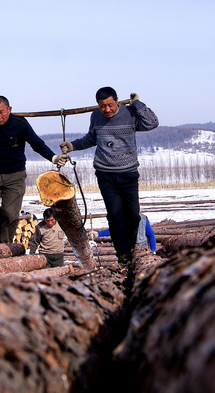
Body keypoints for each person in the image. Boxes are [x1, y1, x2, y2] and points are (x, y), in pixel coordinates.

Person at [61, 87, 158, 264]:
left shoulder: (130, 113)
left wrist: (137, 104)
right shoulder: (96, 117)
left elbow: (152, 123)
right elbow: (91, 138)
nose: (106, 110)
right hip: (105, 173)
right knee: (114, 214)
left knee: (133, 215)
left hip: (128, 172)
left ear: (117, 100)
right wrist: (72, 146)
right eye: (102, 106)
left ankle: (132, 246)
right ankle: (123, 253)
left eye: (110, 105)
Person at [0, 95, 68, 243]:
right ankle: (3, 226)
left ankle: (5, 246)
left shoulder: (20, 124)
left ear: (9, 109)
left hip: (15, 176)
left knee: (10, 214)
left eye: (1, 112)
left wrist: (53, 157)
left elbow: (36, 143)